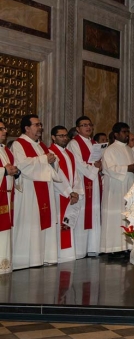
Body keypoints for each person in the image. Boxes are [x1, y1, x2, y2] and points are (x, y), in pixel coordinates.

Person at [11, 114, 59, 269]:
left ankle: (43, 257)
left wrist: (51, 161)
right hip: (30, 191)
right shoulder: (19, 144)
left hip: (44, 187)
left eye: (40, 124)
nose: (40, 127)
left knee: (42, 222)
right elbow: (22, 165)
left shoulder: (41, 145)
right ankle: (25, 260)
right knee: (30, 223)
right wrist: (45, 159)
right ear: (27, 128)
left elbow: (51, 163)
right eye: (36, 125)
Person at [101, 122, 134, 255]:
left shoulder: (129, 150)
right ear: (116, 134)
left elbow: (133, 167)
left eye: (127, 132)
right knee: (115, 217)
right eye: (124, 132)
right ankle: (113, 249)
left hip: (128, 186)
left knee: (127, 216)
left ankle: (127, 247)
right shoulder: (110, 150)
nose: (127, 134)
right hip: (115, 189)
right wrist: (127, 168)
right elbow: (108, 169)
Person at [68, 116, 102, 258]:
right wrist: (94, 169)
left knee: (93, 214)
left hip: (94, 182)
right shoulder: (74, 144)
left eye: (89, 124)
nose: (87, 127)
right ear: (77, 129)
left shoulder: (95, 144)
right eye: (83, 125)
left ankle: (93, 247)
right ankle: (80, 250)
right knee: (83, 215)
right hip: (82, 181)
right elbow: (78, 164)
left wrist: (99, 165)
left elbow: (99, 161)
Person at [49, 126, 82, 263]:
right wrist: (69, 192)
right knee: (59, 223)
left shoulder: (69, 153)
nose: (64, 138)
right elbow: (57, 175)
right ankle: (58, 255)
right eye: (60, 136)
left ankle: (67, 254)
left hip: (70, 194)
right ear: (53, 137)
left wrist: (76, 191)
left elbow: (76, 175)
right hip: (58, 194)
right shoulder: (50, 153)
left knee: (68, 224)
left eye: (65, 135)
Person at [0, 119, 19, 274]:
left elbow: (11, 170)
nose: (5, 131)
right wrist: (4, 171)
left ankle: (5, 266)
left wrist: (15, 172)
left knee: (6, 232)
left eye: (5, 128)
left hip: (6, 196)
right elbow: (4, 170)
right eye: (1, 129)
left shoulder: (6, 150)